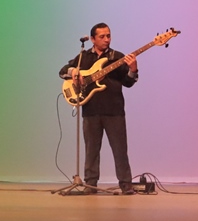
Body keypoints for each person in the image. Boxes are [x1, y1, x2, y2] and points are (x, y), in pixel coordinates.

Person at [58, 23, 139, 195]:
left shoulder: (117, 57)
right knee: (91, 150)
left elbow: (129, 82)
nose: (106, 39)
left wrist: (133, 69)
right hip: (90, 110)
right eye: (102, 36)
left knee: (120, 150)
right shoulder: (84, 57)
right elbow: (63, 71)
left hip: (114, 111)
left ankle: (126, 185)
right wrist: (73, 72)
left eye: (108, 35)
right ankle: (90, 185)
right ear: (93, 39)